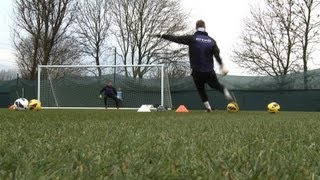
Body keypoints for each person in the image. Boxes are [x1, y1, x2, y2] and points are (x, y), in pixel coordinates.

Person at [152, 20, 235, 112]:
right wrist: (221, 66)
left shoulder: (192, 38)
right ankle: (224, 91)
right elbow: (217, 55)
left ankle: (208, 108)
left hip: (197, 71)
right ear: (205, 28)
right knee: (216, 85)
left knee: (201, 89)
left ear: (196, 28)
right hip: (209, 71)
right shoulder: (212, 41)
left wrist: (162, 35)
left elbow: (176, 38)